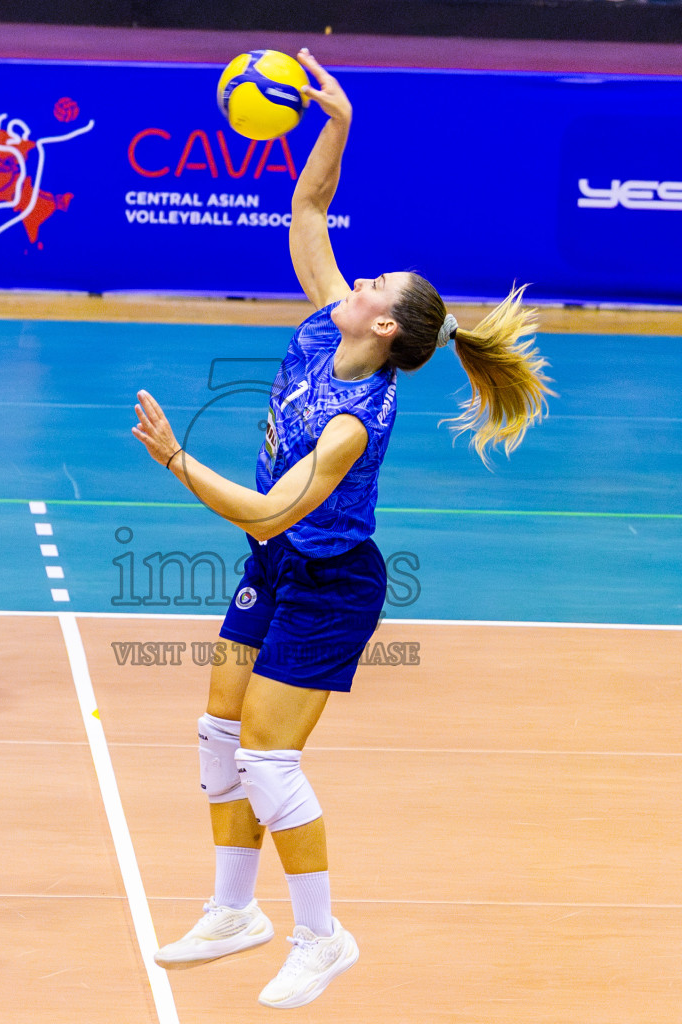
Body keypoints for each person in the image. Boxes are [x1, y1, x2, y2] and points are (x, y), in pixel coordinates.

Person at [130, 49, 551, 1010]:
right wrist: (338, 124)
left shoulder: (353, 421)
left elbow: (271, 509)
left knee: (271, 762)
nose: (357, 278)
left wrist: (175, 461)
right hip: (274, 567)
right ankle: (235, 910)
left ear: (388, 329)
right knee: (216, 732)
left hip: (328, 582)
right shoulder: (329, 324)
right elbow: (310, 215)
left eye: (375, 284)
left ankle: (323, 936)